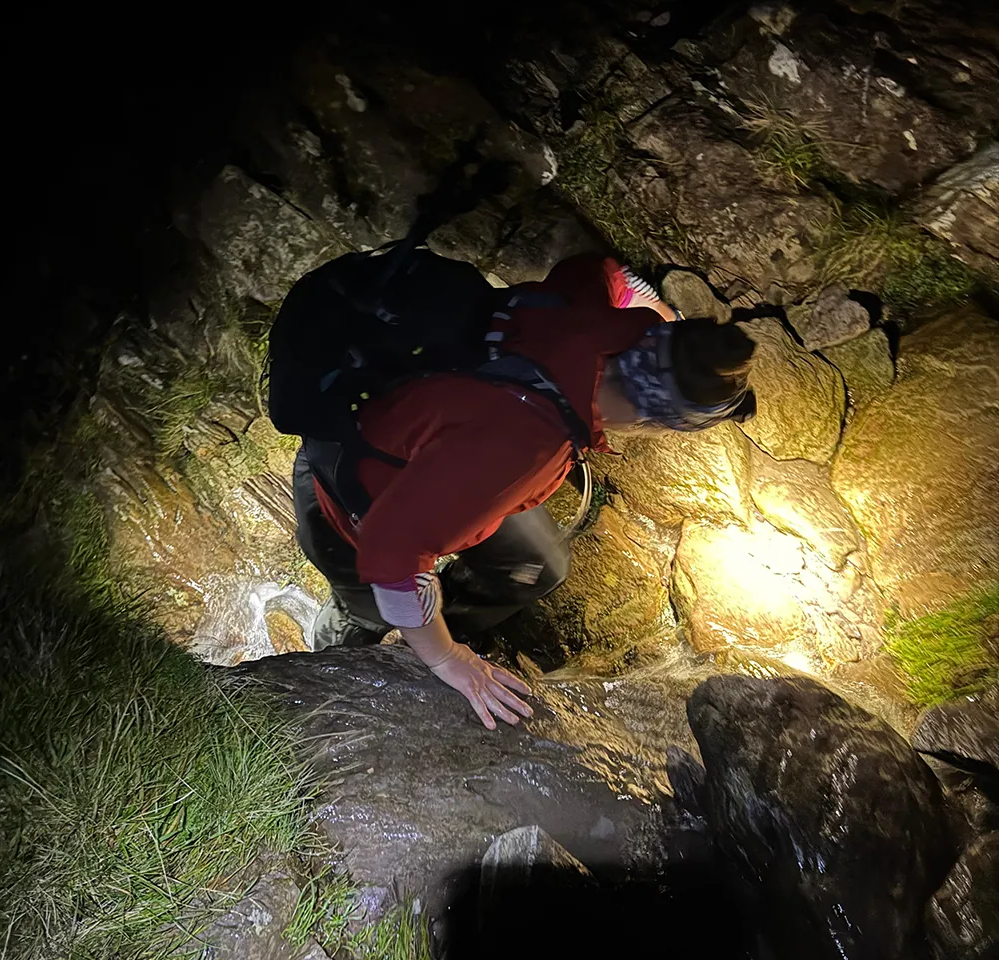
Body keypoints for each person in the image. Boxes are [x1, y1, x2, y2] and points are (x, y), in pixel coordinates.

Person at [292, 255, 756, 729]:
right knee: (378, 609)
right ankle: (364, 626)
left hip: (433, 453)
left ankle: (437, 623)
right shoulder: (525, 446)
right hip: (350, 502)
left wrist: (665, 321)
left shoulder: (583, 311)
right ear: (647, 419)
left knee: (537, 568)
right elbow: (390, 552)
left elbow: (609, 273)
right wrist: (447, 659)